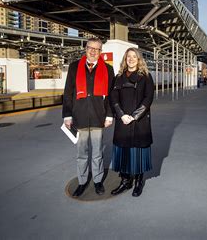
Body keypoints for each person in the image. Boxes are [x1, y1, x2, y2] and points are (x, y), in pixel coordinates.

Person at [62, 37, 115, 197]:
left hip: (99, 117)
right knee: (82, 153)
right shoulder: (74, 67)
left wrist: (109, 115)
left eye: (97, 49)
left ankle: (98, 181)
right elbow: (68, 93)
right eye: (90, 48)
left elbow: (111, 95)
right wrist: (67, 115)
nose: (93, 51)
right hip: (79, 117)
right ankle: (83, 181)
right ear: (86, 48)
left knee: (98, 152)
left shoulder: (108, 69)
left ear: (101, 52)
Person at [110, 48, 154, 197]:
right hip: (123, 120)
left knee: (138, 153)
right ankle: (125, 181)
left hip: (139, 121)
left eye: (134, 56)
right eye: (128, 56)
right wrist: (121, 115)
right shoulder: (119, 77)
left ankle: (138, 182)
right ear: (125, 59)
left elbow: (148, 98)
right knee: (123, 152)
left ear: (139, 59)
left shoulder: (146, 77)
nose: (131, 59)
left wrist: (134, 116)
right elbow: (113, 97)